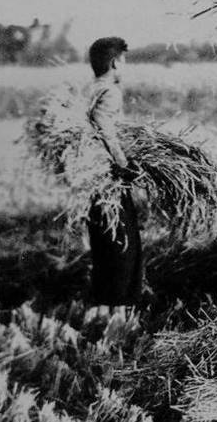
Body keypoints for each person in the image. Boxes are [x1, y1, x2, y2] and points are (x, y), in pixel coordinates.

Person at [85, 36, 144, 306]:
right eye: (124, 59)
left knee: (103, 242)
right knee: (123, 243)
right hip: (110, 179)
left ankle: (102, 302)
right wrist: (123, 162)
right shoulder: (110, 91)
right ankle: (119, 305)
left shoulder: (90, 88)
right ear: (115, 62)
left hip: (92, 177)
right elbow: (102, 123)